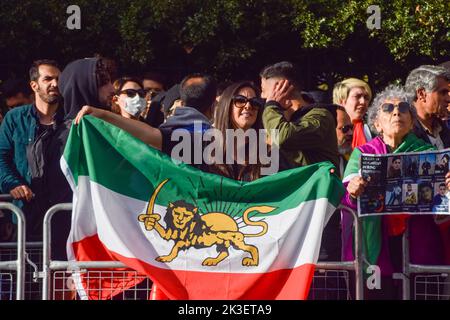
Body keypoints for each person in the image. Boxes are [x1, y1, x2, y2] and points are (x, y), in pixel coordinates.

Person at [342, 85, 445, 299]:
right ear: (377, 123)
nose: (396, 112)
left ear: (412, 120)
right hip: (375, 250)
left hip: (419, 247)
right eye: (388, 108)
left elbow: (441, 207)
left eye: (403, 107)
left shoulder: (429, 153)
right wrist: (353, 190)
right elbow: (346, 195)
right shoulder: (362, 153)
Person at [0, 60, 72, 258]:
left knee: (60, 281)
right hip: (24, 216)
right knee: (24, 282)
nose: (54, 84)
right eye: (48, 78)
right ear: (34, 85)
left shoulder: (73, 120)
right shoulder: (15, 118)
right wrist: (12, 184)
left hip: (64, 217)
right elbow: (1, 157)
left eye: (58, 79)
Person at [260, 61, 339, 169]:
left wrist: (272, 105)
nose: (262, 96)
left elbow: (283, 138)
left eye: (264, 90)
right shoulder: (280, 121)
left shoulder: (321, 117)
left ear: (283, 89)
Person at [209, 81, 265, 181]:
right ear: (227, 106)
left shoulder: (268, 153)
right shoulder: (203, 147)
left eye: (254, 102)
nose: (248, 106)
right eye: (240, 100)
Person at [405, 65, 450, 149]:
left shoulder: (443, 129)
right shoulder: (404, 134)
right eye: (443, 93)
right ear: (421, 94)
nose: (448, 99)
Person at [333, 78, 372, 149]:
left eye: (366, 97)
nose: (363, 101)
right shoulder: (329, 129)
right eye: (357, 96)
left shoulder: (372, 131)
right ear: (341, 101)